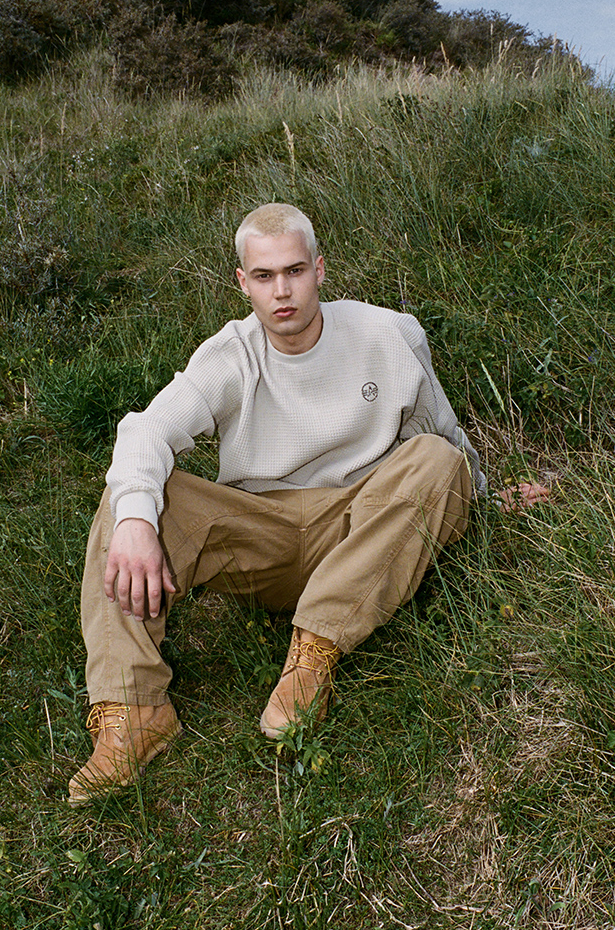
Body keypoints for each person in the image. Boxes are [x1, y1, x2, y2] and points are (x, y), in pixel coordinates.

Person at [69, 203, 549, 803]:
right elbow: (147, 429)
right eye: (264, 276)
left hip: (359, 527)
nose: (282, 291)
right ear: (243, 282)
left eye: (294, 271)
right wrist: (139, 522)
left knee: (434, 456)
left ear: (319, 269)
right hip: (263, 536)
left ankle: (312, 658)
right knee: (128, 499)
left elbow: (440, 433)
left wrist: (483, 497)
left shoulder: (387, 334)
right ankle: (134, 713)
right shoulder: (231, 354)